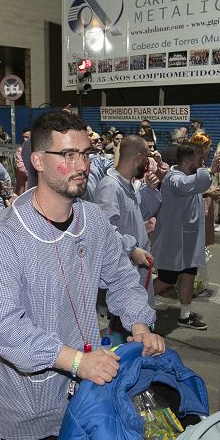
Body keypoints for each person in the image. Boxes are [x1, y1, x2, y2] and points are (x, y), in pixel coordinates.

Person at [0, 110, 164, 440]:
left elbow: (119, 276)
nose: (81, 165)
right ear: (37, 160)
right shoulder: (3, 237)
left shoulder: (93, 220)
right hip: (20, 377)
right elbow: (2, 327)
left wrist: (138, 320)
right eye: (68, 154)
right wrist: (77, 361)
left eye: (86, 153)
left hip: (80, 367)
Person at [91, 133, 161, 311]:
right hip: (123, 274)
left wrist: (151, 191)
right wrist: (130, 249)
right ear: (138, 157)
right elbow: (104, 231)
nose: (148, 162)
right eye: (146, 157)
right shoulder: (110, 187)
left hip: (136, 271)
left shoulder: (128, 184)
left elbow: (140, 215)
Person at [152, 141, 214, 330]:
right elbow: (188, 185)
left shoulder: (188, 177)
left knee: (188, 276)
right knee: (165, 281)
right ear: (188, 161)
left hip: (188, 242)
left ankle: (185, 316)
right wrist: (212, 169)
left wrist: (208, 192)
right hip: (174, 243)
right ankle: (134, 303)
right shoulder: (174, 179)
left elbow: (193, 189)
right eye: (199, 160)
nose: (201, 163)